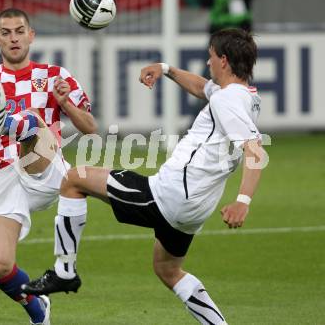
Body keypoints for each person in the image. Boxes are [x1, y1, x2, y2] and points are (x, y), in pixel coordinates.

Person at [22, 28, 267, 325]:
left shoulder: (227, 101)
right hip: (195, 209)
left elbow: (254, 150)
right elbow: (204, 87)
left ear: (224, 61)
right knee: (168, 270)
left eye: (211, 57)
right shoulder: (243, 97)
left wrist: (243, 200)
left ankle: (64, 272)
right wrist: (165, 69)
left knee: (74, 179)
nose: (207, 63)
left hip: (169, 195)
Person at [0, 7, 97, 324]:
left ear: (31, 35)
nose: (14, 38)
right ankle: (38, 309)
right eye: (6, 32)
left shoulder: (55, 76)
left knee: (35, 123)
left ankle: (15, 123)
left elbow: (90, 126)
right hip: (2, 175)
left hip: (44, 165)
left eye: (19, 31)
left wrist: (64, 104)